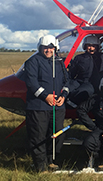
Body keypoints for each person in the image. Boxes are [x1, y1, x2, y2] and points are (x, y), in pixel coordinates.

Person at [23, 35, 70, 172]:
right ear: (40, 48)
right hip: (38, 107)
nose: (49, 50)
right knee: (38, 136)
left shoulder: (59, 62)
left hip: (57, 106)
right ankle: (40, 166)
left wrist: (64, 96)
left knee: (57, 134)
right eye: (46, 48)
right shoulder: (32, 62)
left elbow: (67, 81)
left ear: (55, 49)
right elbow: (31, 83)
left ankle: (51, 159)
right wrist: (45, 96)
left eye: (51, 48)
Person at [68, 35, 103, 107]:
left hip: (94, 84)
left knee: (83, 92)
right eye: (89, 46)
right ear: (85, 46)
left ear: (97, 47)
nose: (91, 48)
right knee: (67, 90)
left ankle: (75, 106)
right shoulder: (79, 58)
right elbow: (71, 73)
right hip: (80, 81)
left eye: (94, 46)